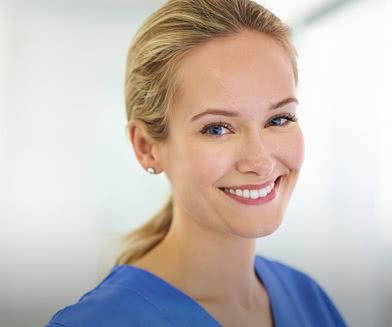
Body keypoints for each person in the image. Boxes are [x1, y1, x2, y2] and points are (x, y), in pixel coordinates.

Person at [45, 0, 347, 326]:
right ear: (147, 147)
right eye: (217, 128)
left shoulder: (309, 299)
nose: (260, 162)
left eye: (279, 119)